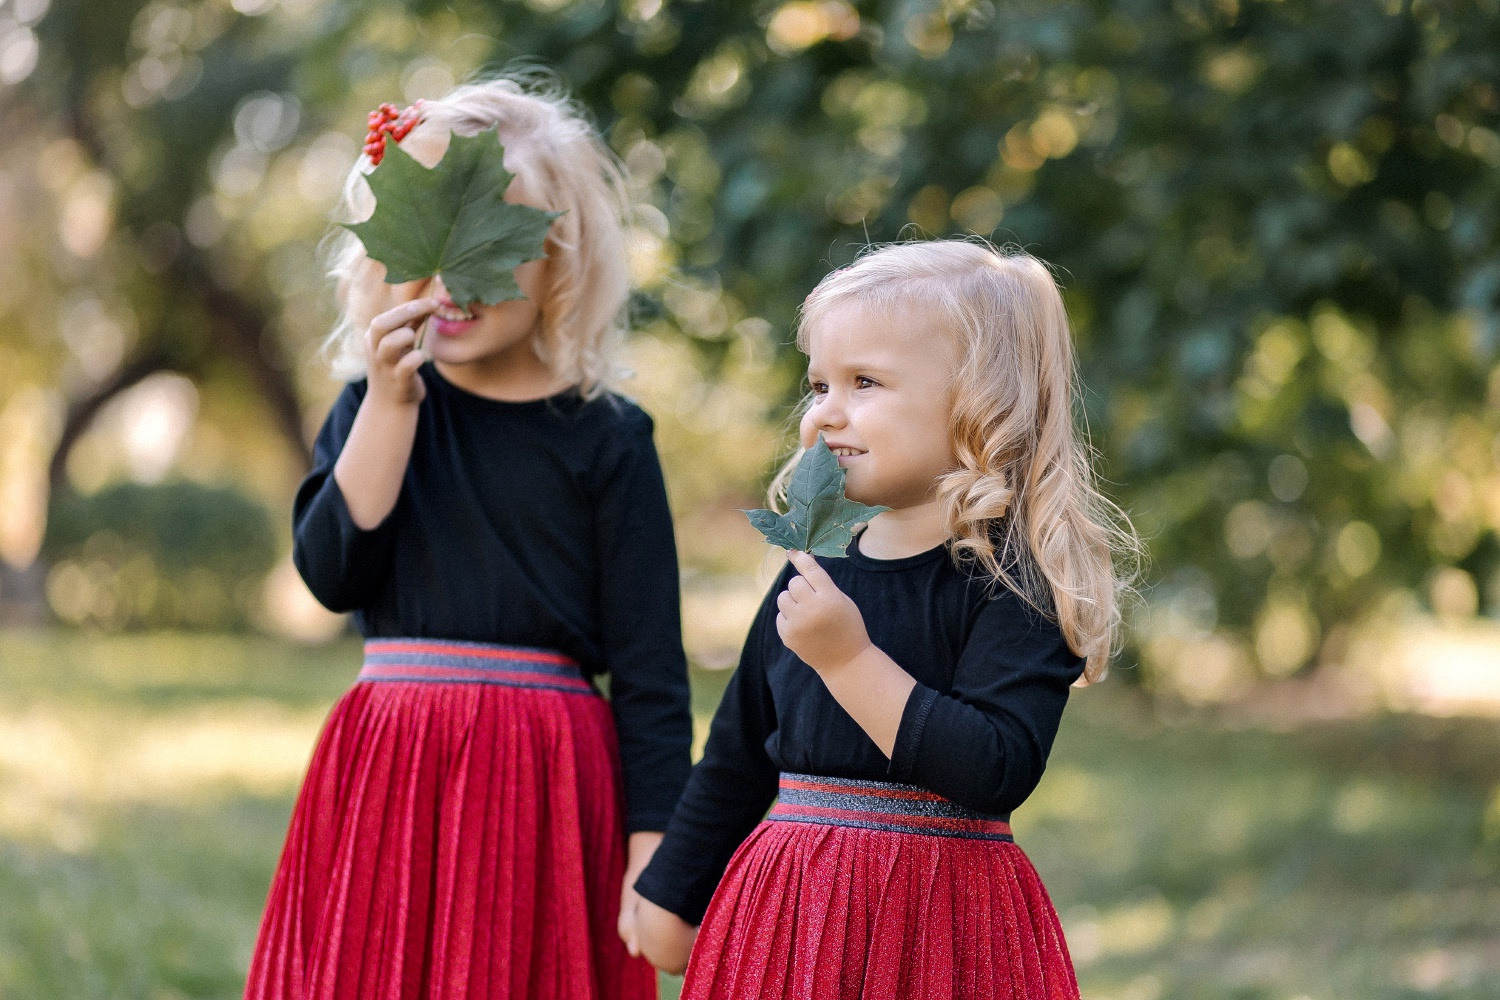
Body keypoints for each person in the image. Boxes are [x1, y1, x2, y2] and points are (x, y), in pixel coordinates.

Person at [243, 74, 691, 1000]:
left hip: (546, 773)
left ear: (557, 259)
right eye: (426, 245)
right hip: (392, 764)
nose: (451, 284)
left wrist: (657, 847)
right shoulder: (374, 409)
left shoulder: (607, 440)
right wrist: (392, 405)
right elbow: (331, 573)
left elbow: (650, 669)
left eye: (488, 247)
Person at [630, 239, 1138, 999]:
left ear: (978, 401)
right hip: (790, 926)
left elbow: (995, 766)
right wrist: (672, 893)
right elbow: (738, 753)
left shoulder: (1014, 580)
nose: (827, 411)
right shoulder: (813, 573)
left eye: (864, 382)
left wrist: (848, 661)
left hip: (941, 930)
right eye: (819, 385)